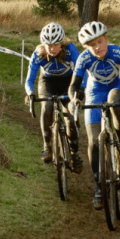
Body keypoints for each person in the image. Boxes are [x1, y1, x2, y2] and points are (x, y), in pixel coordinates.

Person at [68, 21, 120, 210]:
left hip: (118, 87)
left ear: (106, 38)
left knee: (114, 100)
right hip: (94, 92)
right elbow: (74, 85)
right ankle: (99, 186)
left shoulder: (117, 52)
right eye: (92, 45)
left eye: (100, 41)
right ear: (86, 47)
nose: (97, 47)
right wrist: (74, 99)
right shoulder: (83, 58)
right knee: (93, 142)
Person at [24, 22, 83, 173]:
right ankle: (47, 145)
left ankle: (74, 153)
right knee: (47, 106)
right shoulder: (38, 54)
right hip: (47, 82)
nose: (52, 48)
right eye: (49, 45)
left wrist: (81, 88)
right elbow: (29, 79)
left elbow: (81, 70)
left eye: (56, 44)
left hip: (68, 82)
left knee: (70, 116)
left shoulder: (70, 49)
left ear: (61, 42)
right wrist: (30, 93)